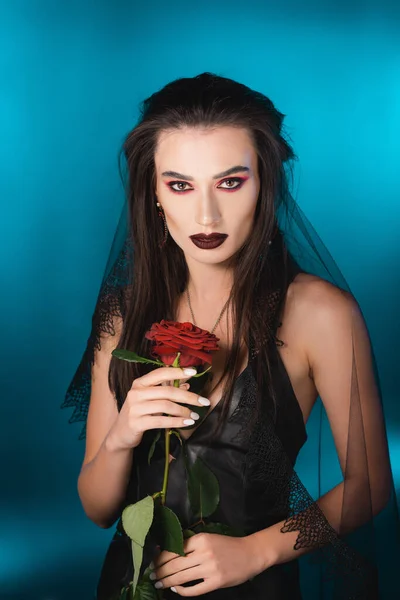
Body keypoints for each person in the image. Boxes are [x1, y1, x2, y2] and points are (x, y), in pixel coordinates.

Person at [62, 73, 400, 599]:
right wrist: (123, 433)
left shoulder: (320, 314)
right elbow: (98, 509)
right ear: (153, 193)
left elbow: (371, 485)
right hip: (133, 585)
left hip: (255, 586)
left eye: (230, 181)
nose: (206, 214)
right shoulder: (122, 312)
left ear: (265, 182)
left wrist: (258, 551)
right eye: (180, 185)